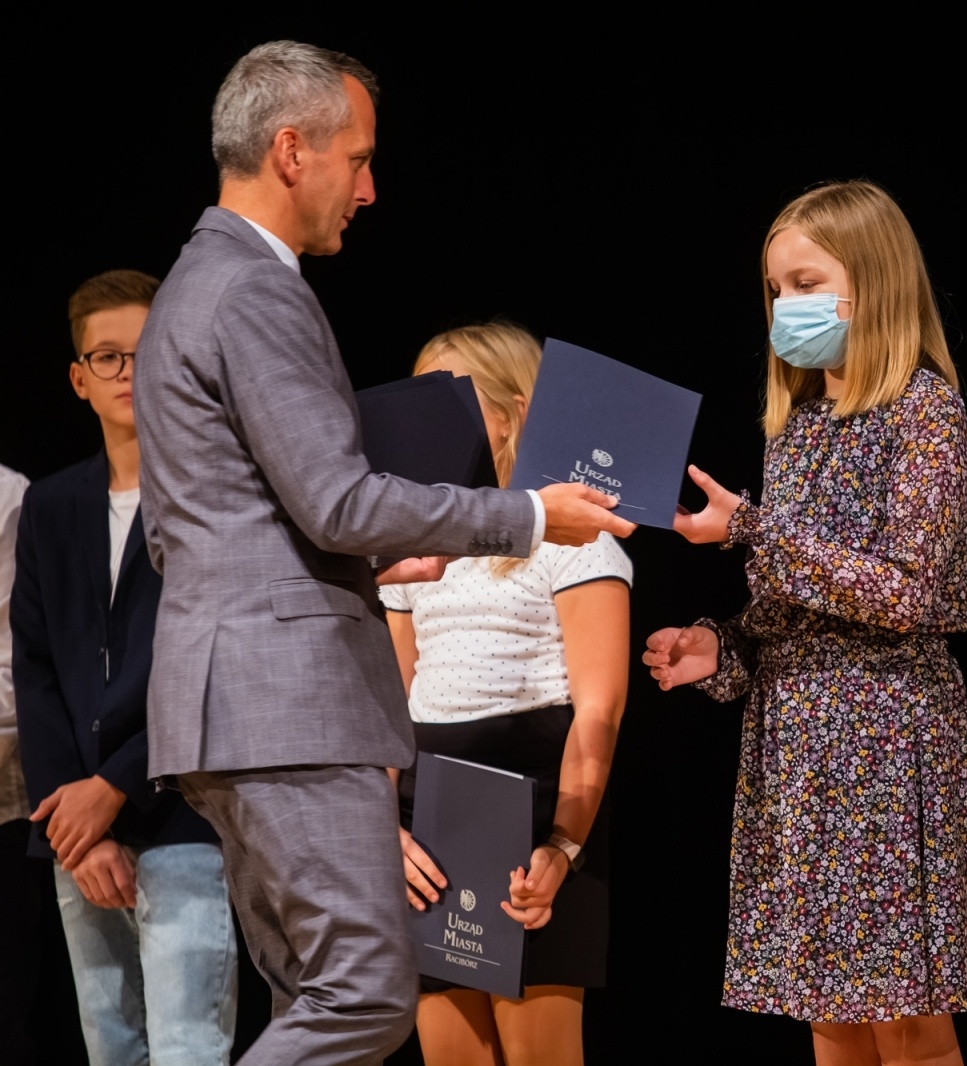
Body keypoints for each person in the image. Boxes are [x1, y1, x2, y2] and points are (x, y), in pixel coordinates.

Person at [134, 42, 632, 1065]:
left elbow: (183, 529)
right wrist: (529, 516)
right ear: (289, 151)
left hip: (229, 703)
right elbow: (337, 499)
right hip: (286, 709)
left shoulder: (192, 286)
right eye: (356, 158)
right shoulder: (252, 291)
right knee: (362, 996)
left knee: (307, 998)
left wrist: (361, 568)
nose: (369, 188)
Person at [642, 180, 967, 1066]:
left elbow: (910, 592)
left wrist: (755, 527)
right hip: (796, 738)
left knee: (907, 1024)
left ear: (869, 283)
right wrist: (719, 645)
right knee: (828, 1012)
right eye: (777, 290)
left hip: (881, 734)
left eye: (805, 283)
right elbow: (789, 608)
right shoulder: (796, 425)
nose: (787, 307)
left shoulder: (924, 411)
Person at [381, 322, 630, 1066]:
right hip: (426, 819)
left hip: (535, 807)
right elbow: (387, 703)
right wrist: (383, 829)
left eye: (451, 402)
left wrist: (563, 844)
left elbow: (600, 707)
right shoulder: (410, 546)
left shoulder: (579, 542)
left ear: (514, 411)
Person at [11, 270, 238, 1066]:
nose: (128, 375)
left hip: (182, 809)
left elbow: (215, 664)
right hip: (74, 827)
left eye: (145, 355)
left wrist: (116, 787)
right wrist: (74, 813)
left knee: (188, 1048)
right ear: (79, 378)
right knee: (110, 1048)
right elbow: (33, 670)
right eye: (107, 358)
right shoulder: (50, 504)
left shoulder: (214, 492)